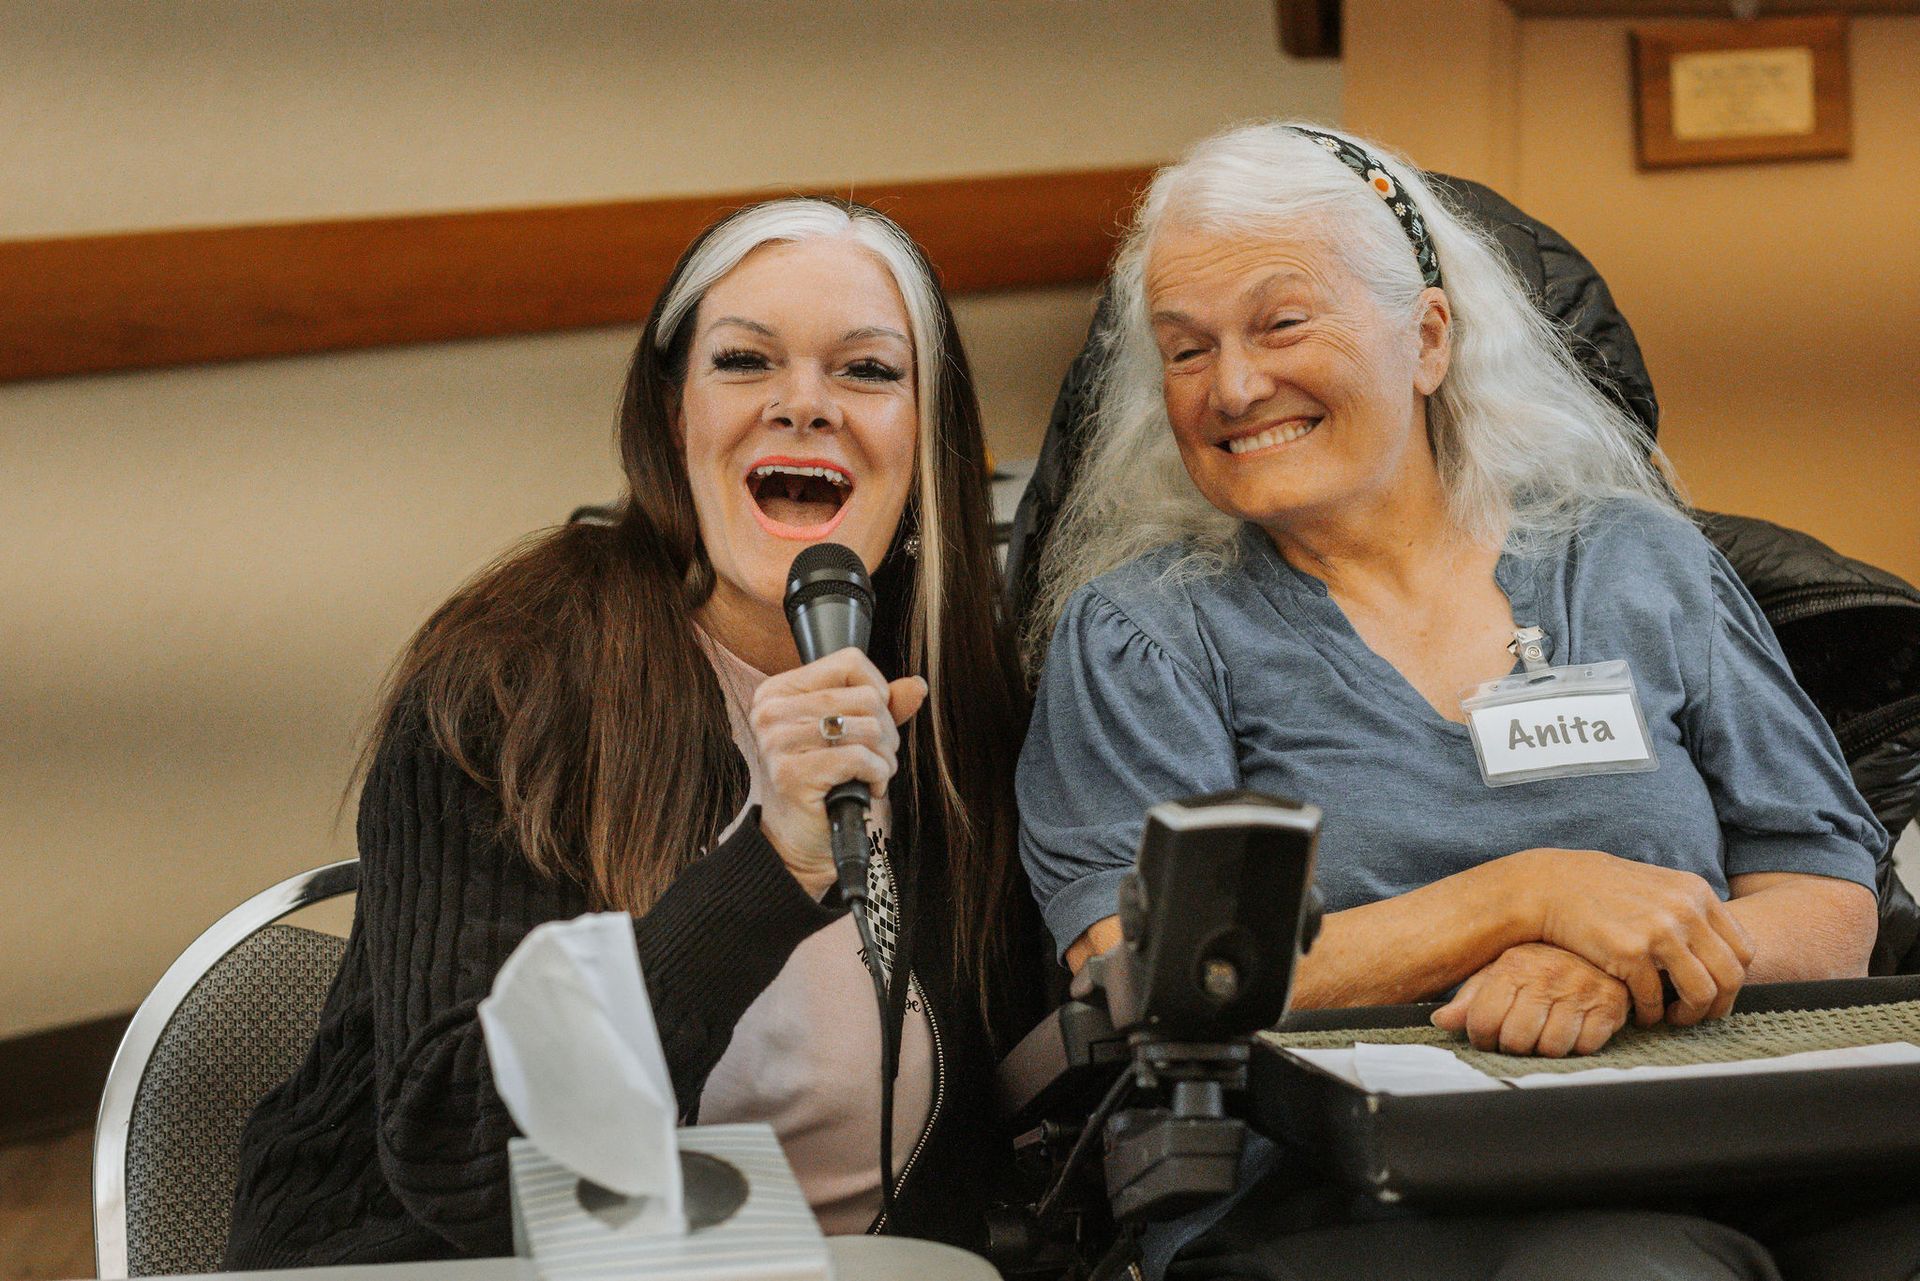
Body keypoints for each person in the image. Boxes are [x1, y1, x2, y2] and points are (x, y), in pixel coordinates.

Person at [1018, 122, 1909, 1279]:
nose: (1233, 387)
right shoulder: (1149, 634)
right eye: (1187, 350)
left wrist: (1617, 975)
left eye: (1283, 325)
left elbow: (1824, 893)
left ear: (1428, 338)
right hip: (1348, 1198)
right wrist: (1525, 896)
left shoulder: (1634, 561)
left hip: (1710, 1136)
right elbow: (1148, 973)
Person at [224, 197, 1041, 1269]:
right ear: (672, 418)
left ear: (931, 440)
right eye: (744, 361)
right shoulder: (516, 681)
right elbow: (468, 1153)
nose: (804, 404)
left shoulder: (955, 709)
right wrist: (774, 866)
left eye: (868, 371)